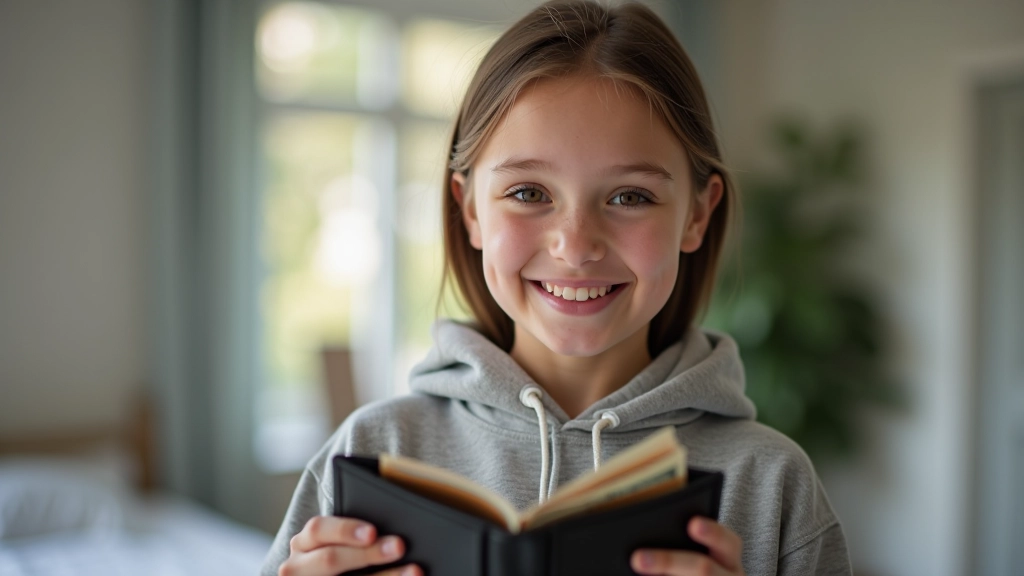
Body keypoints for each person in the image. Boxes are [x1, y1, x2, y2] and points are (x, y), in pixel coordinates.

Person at [261, 1, 852, 575]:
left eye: (630, 197)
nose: (575, 244)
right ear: (468, 210)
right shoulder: (369, 450)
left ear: (697, 215)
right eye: (528, 193)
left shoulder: (773, 485)